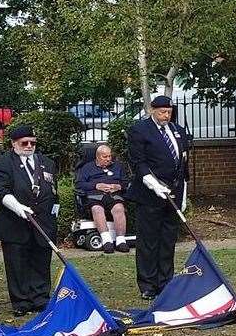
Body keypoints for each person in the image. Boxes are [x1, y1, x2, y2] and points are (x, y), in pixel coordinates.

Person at [127, 95, 192, 299]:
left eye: (169, 112)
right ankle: (148, 284)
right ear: (152, 111)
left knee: (168, 239)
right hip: (149, 194)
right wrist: (154, 185)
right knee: (149, 241)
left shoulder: (178, 131)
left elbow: (183, 165)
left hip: (173, 193)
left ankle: (166, 281)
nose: (166, 115)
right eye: (162, 112)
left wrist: (183, 193)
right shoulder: (140, 130)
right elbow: (139, 163)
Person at [0, 124, 59, 316]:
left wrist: (54, 215)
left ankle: (40, 298)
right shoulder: (2, 163)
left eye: (33, 142)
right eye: (24, 142)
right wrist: (18, 208)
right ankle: (21, 302)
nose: (29, 146)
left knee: (41, 261)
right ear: (14, 144)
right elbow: (2, 191)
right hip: (15, 222)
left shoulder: (47, 162)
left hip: (43, 222)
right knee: (17, 263)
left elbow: (54, 192)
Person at [75, 144, 129, 253]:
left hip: (114, 195)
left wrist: (118, 186)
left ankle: (120, 241)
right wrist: (96, 186)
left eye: (109, 156)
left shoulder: (118, 166)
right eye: (105, 157)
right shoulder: (87, 168)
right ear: (97, 157)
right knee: (97, 209)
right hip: (95, 196)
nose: (108, 159)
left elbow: (126, 182)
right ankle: (106, 241)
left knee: (119, 208)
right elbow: (79, 184)